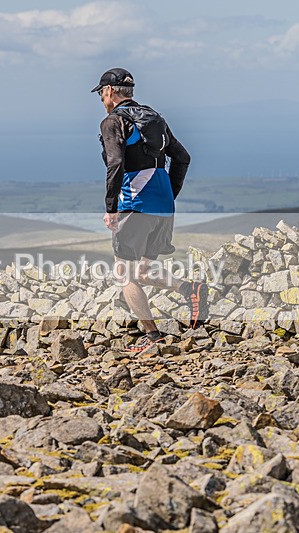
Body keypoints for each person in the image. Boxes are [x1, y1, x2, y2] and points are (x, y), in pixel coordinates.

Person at [93, 68, 208, 353]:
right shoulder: (154, 117)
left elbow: (115, 163)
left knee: (124, 275)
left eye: (101, 93)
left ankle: (153, 337)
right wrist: (169, 194)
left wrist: (112, 207)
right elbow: (183, 157)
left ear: (109, 91)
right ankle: (188, 289)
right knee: (143, 270)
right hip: (163, 205)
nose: (101, 99)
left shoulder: (113, 121)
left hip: (134, 205)